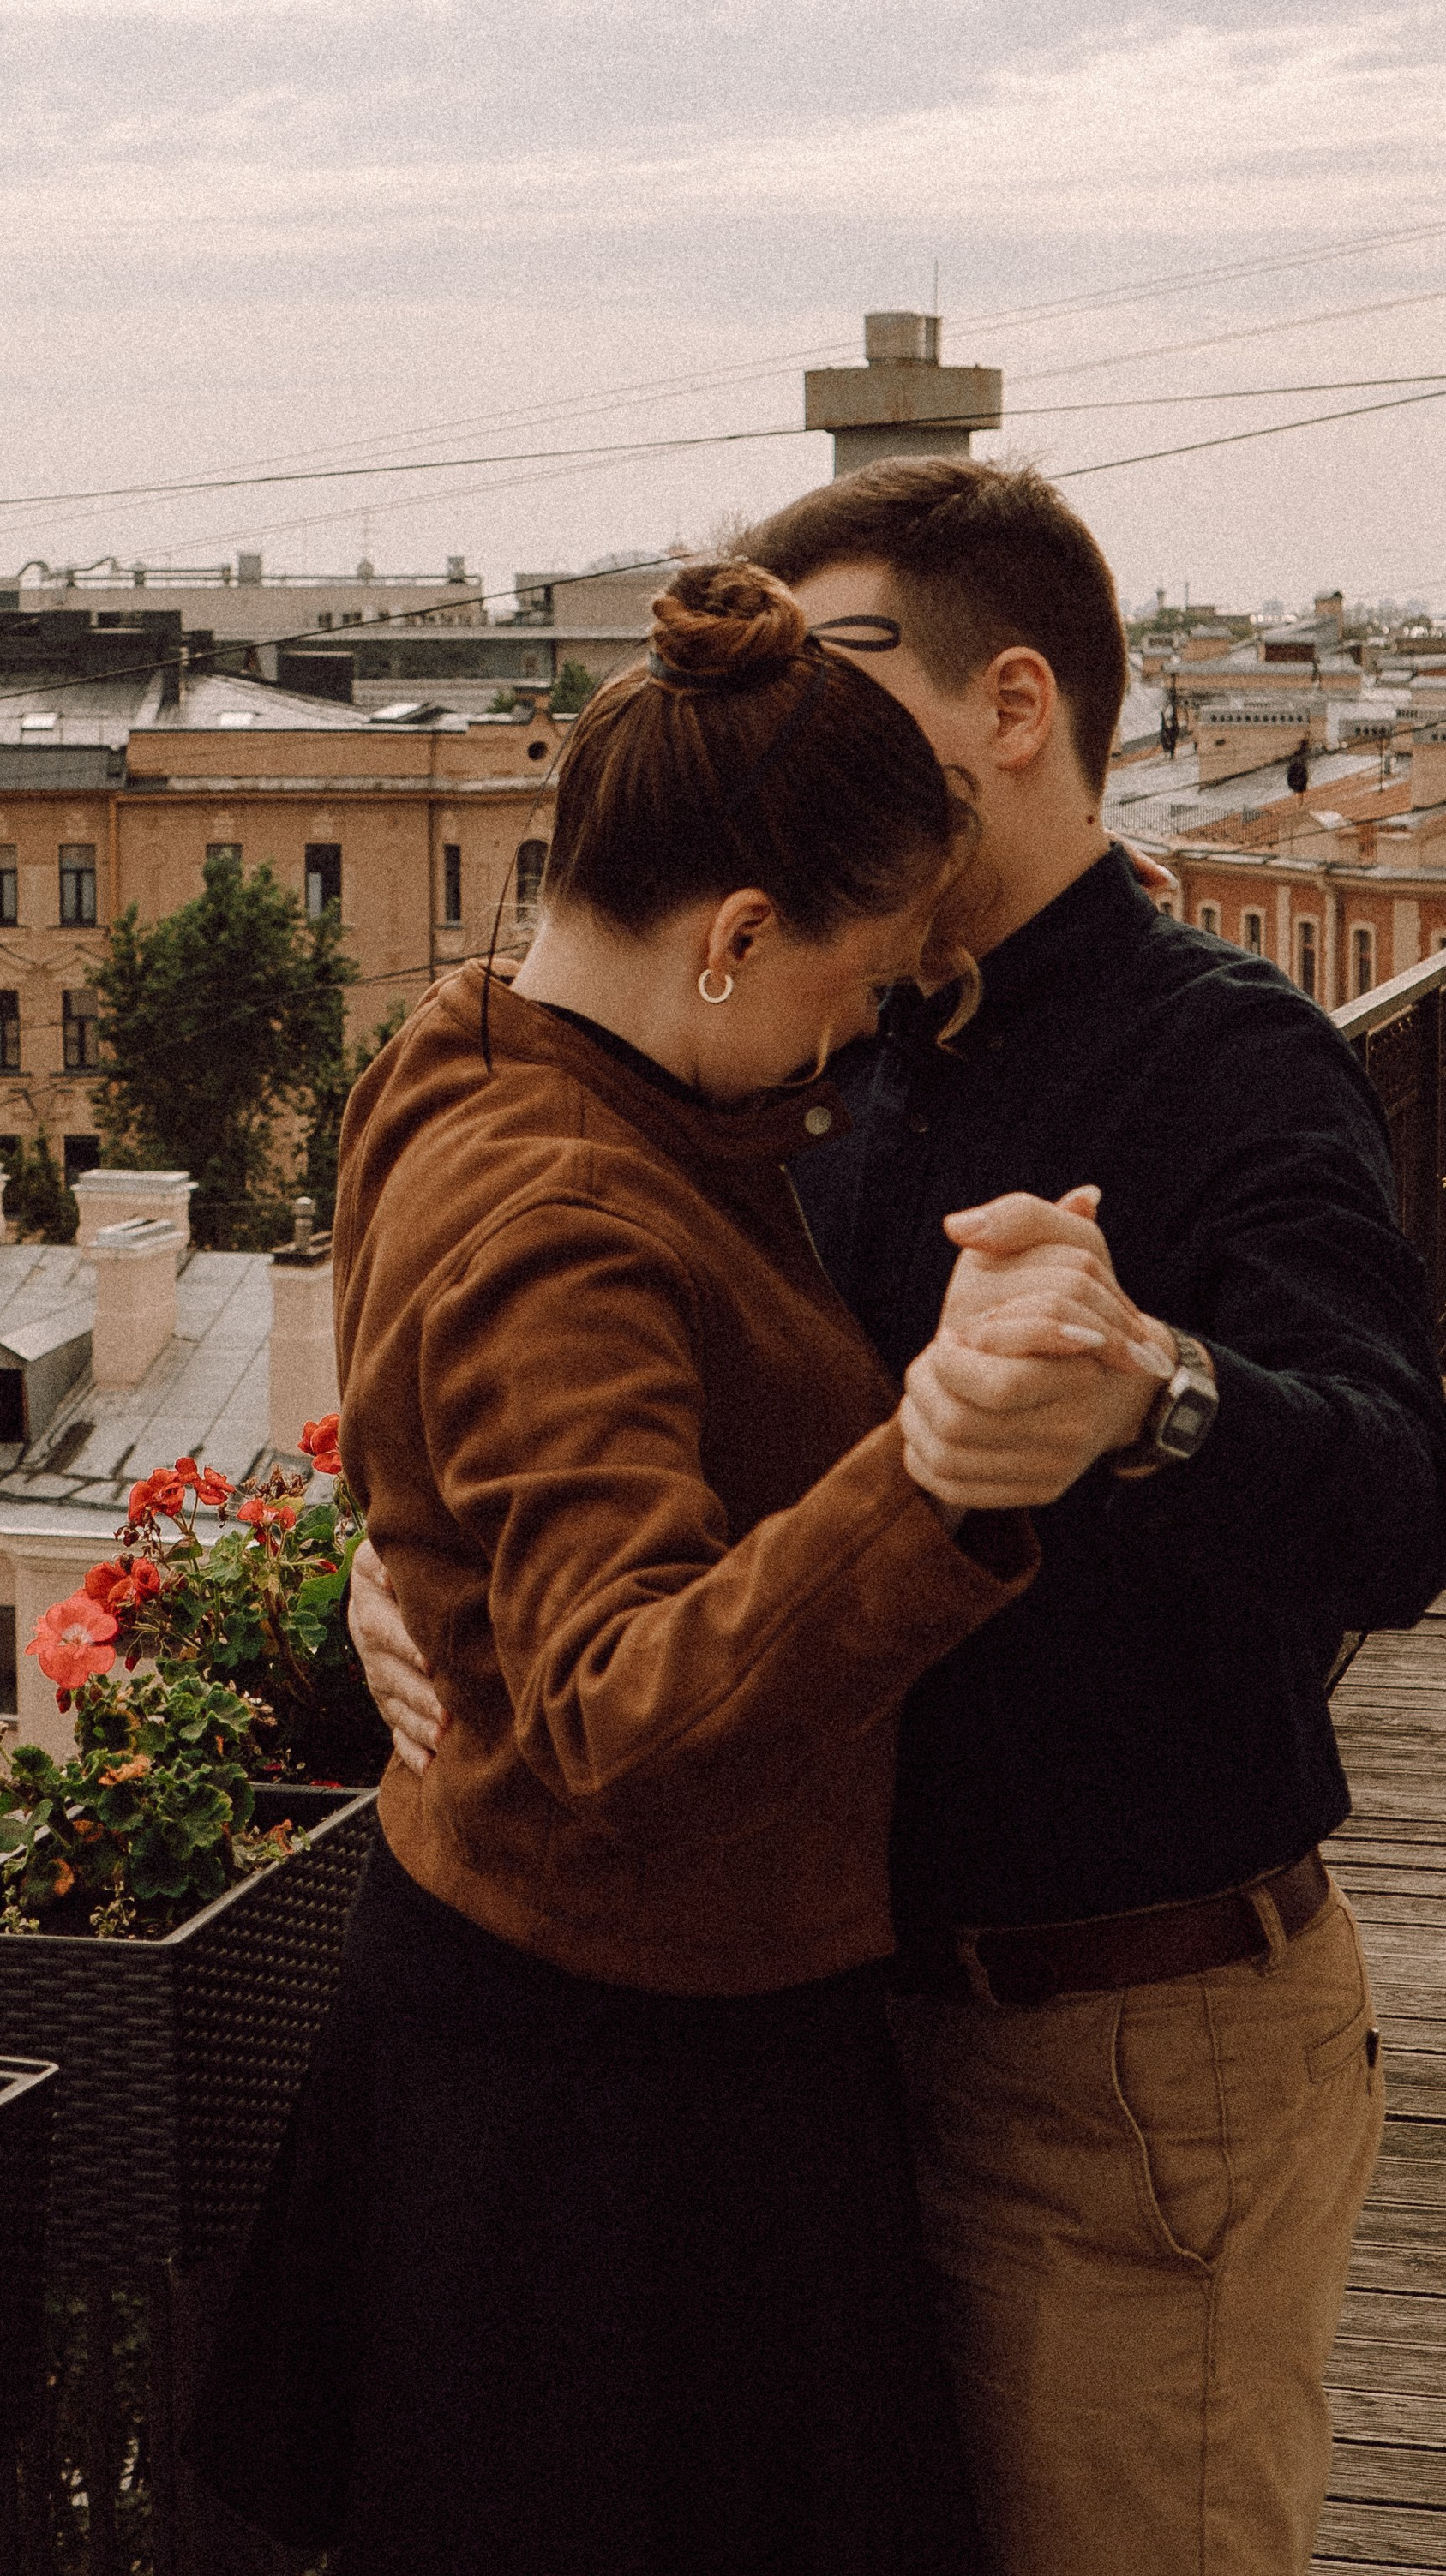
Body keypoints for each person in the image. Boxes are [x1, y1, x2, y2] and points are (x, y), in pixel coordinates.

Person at [352, 459, 1446, 2576]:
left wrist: (1158, 1390)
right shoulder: (810, 1044)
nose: (789, 736)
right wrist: (393, 1552)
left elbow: (1398, 1509)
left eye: (839, 672)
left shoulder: (1225, 1061)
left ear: (1010, 705)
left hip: (1116, 2065)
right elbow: (562, 1360)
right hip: (821, 2063)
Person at [195, 557, 1172, 2576]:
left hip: (539, 2041)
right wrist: (939, 1462)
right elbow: (615, 1706)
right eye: (863, 976)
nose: (866, 1036)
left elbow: (469, 1513)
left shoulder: (475, 1055)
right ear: (733, 937)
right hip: (615, 2114)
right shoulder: (561, 1204)